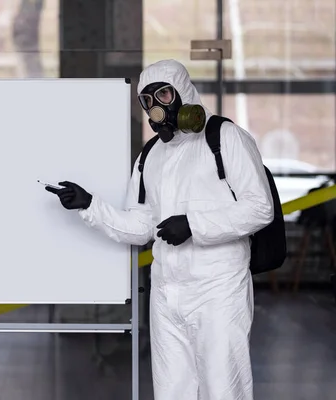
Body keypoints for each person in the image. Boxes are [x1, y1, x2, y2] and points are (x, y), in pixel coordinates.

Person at [45, 59, 274, 400]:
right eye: (147, 101)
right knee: (170, 391)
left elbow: (260, 208)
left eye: (164, 95)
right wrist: (90, 205)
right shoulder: (150, 155)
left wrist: (194, 226)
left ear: (184, 92)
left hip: (218, 292)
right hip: (166, 294)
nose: (157, 109)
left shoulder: (225, 139)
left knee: (224, 388)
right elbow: (141, 227)